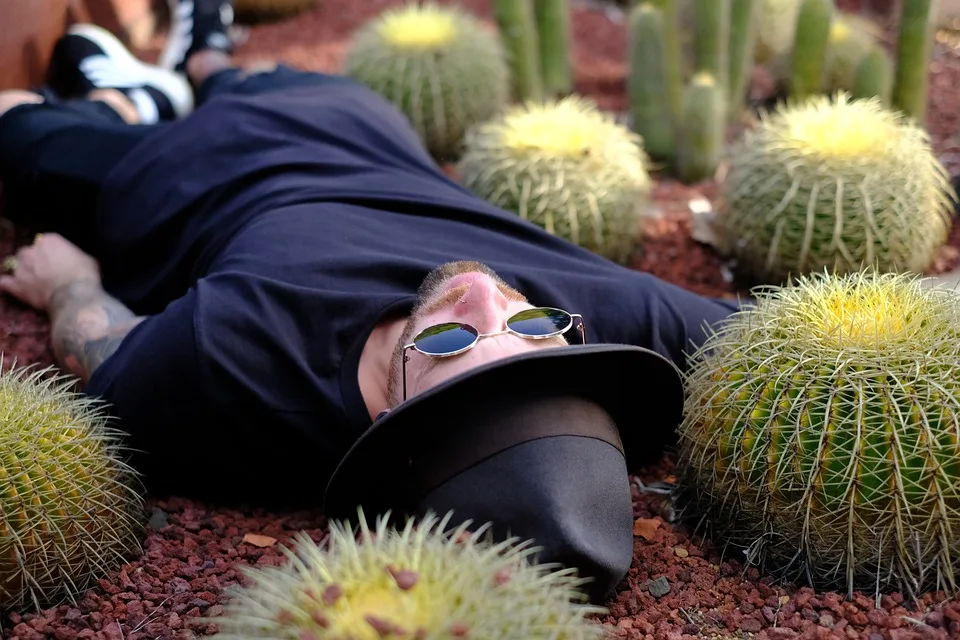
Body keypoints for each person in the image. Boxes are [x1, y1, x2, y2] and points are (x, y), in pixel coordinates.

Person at [0, 0, 742, 602]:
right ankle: (197, 60)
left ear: (390, 419)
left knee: (17, 123)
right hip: (344, 114)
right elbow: (784, 349)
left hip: (169, 176)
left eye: (454, 345)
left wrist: (68, 283)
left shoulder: (232, 361)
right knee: (227, 74)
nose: (485, 297)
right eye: (532, 330)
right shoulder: (602, 315)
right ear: (575, 350)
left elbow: (107, 354)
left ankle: (132, 96)